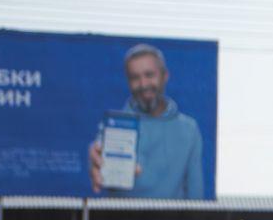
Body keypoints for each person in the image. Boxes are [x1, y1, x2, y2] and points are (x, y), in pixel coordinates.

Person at [87, 43, 206, 200]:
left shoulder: (189, 129)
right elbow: (97, 158)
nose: (143, 85)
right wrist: (96, 163)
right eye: (135, 78)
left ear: (165, 76)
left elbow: (195, 196)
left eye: (149, 75)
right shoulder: (114, 125)